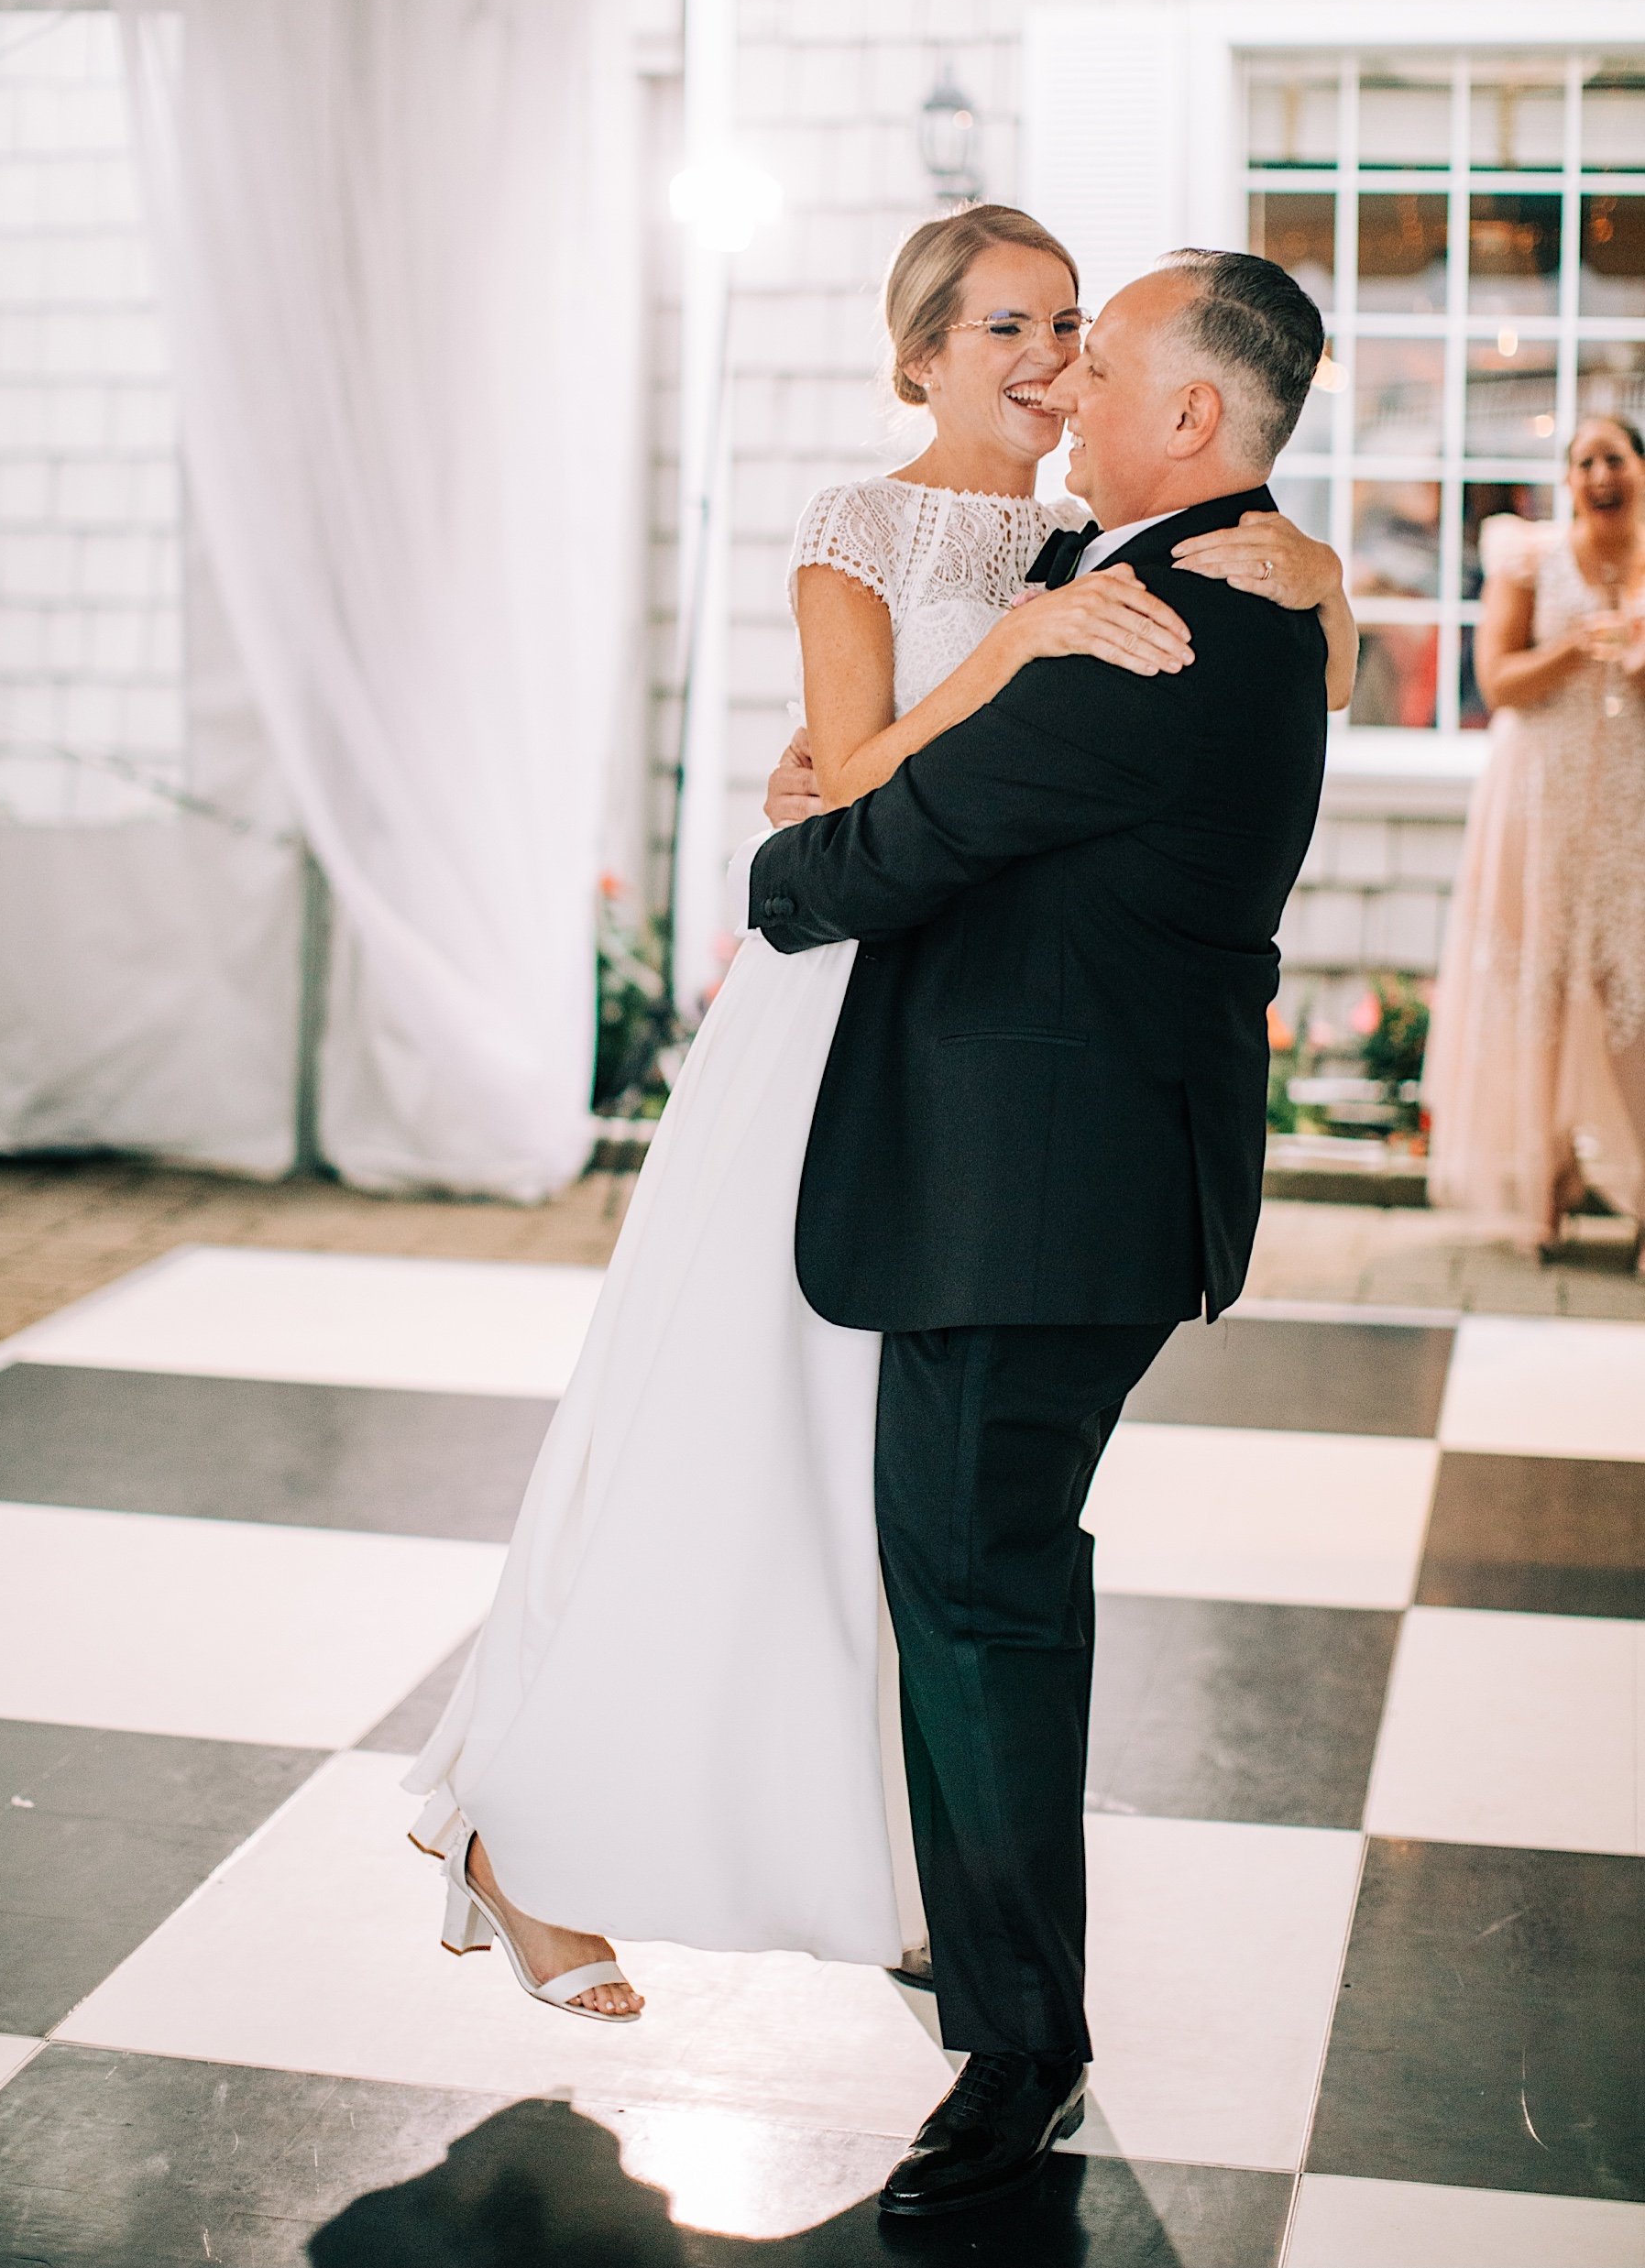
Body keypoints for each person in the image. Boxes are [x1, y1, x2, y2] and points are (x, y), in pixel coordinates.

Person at [403, 208, 1352, 2032]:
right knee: (731, 1430)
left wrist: (1327, 577)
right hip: (833, 1001)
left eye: (1069, 325)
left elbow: (1208, 604)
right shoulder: (869, 527)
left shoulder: (1103, 540)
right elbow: (845, 785)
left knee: (877, 1497)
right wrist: (1013, 650)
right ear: (919, 355)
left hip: (968, 1038)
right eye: (1003, 322)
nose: (1047, 356)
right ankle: (529, 1826)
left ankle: (886, 1856)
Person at [746, 246, 1332, 2217]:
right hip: (1080, 1176)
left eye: (1106, 358)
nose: (1068, 379)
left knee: (985, 1592)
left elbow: (868, 860)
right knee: (989, 1578)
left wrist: (784, 846)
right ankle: (1003, 1987)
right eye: (1038, 340)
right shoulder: (1223, 578)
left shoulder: (1148, 626)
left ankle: (1020, 2049)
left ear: (1193, 419)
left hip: (1029, 1194)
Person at [1426, 416, 1645, 1265]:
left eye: (1614, 457)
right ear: (1569, 479)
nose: (1599, 472)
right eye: (1583, 460)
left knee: (1631, 994)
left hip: (1628, 804)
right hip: (1540, 800)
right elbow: (1498, 681)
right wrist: (1576, 648)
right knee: (1542, 987)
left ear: (1639, 471)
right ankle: (1545, 1192)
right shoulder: (1530, 560)